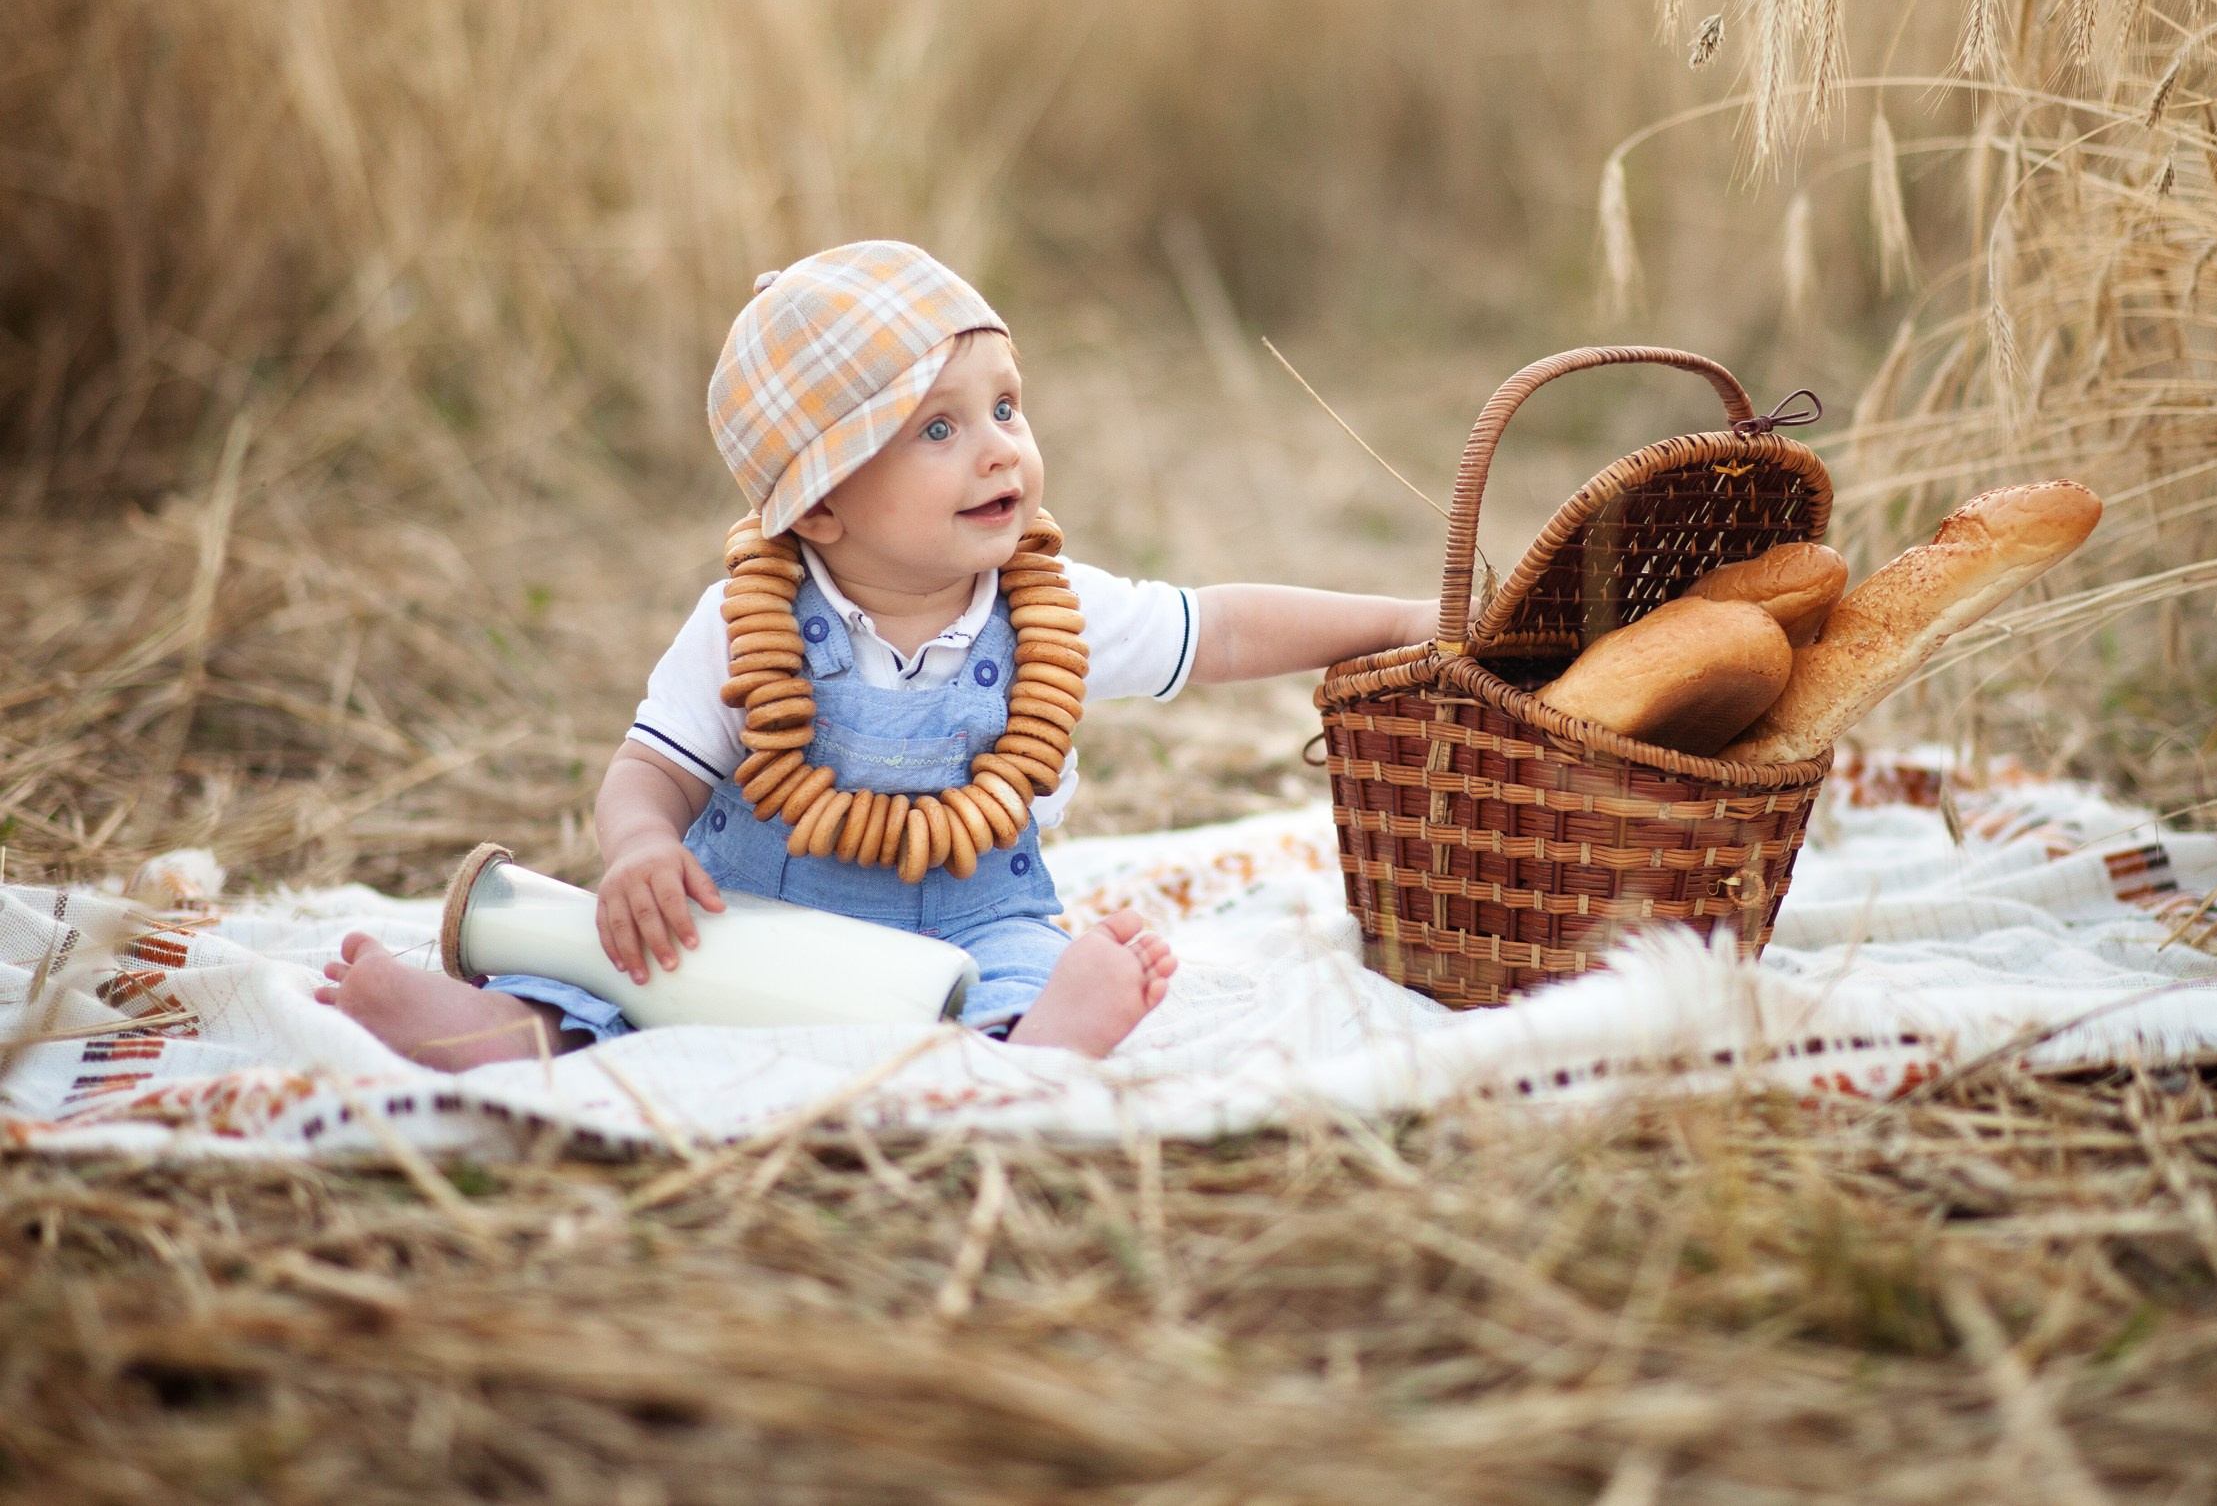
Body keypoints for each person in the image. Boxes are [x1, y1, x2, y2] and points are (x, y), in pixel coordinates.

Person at [319, 241, 1436, 1065]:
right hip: (755, 909)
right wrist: (638, 848)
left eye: (1006, 405)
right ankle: (498, 1028)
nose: (1000, 447)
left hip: (970, 912)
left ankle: (1032, 1040)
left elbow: (1223, 626)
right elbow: (648, 766)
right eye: (938, 429)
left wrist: (1391, 622)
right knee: (633, 974)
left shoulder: (1046, 608)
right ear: (817, 506)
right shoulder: (741, 623)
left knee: (1019, 961)